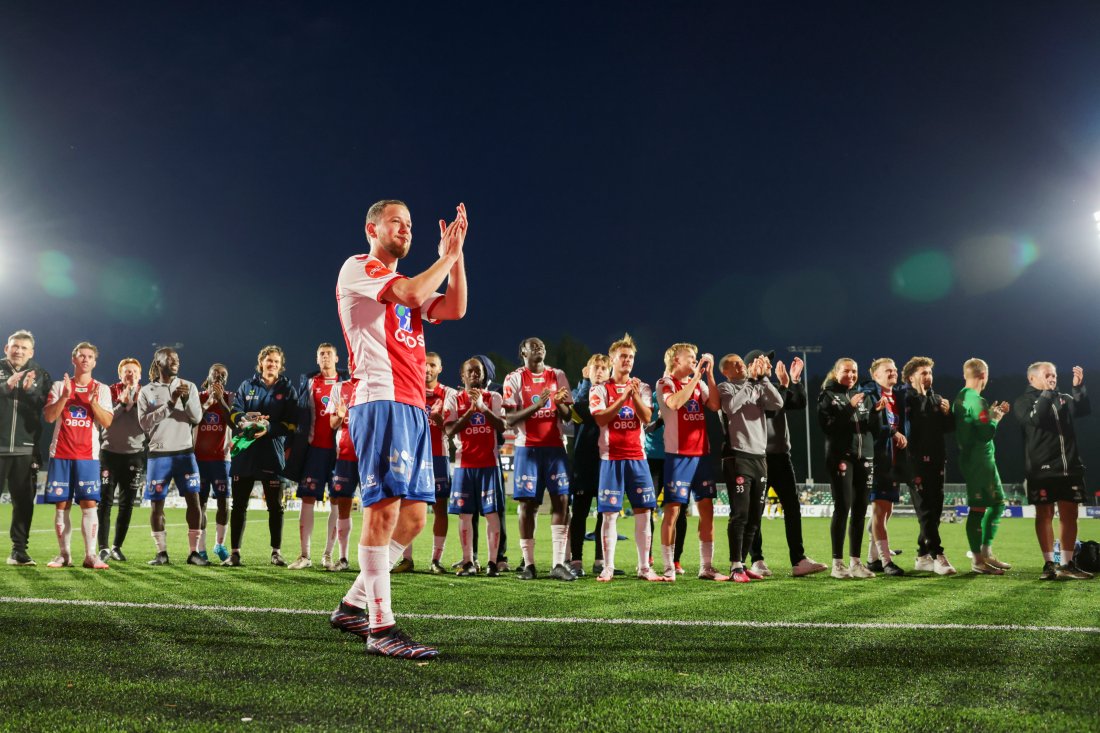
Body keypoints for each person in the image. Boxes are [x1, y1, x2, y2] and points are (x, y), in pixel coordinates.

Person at [328, 199, 467, 659]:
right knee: (383, 512)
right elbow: (408, 294)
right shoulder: (359, 267)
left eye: (410, 224)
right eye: (396, 221)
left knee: (414, 518)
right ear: (372, 227)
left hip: (411, 406)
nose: (405, 229)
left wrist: (458, 254)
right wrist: (444, 257)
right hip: (380, 401)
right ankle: (380, 629)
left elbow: (453, 309)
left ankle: (353, 604)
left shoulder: (408, 283)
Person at [747, 351, 827, 578]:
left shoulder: (774, 387)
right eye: (765, 361)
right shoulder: (746, 388)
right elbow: (771, 411)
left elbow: (799, 403)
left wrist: (795, 381)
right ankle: (757, 560)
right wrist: (783, 385)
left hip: (781, 456)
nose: (770, 365)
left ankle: (799, 559)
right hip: (757, 458)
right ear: (753, 364)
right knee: (755, 511)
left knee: (792, 507)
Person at [590, 334, 662, 582]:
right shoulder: (599, 389)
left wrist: (632, 397)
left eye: (631, 357)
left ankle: (644, 567)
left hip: (638, 458)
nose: (627, 361)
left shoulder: (641, 387)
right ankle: (608, 567)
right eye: (623, 356)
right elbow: (600, 419)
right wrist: (622, 399)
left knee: (644, 511)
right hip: (611, 459)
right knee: (609, 514)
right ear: (612, 359)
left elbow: (646, 418)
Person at [503, 336, 574, 581]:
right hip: (527, 449)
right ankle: (529, 565)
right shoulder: (514, 378)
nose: (539, 349)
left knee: (561, 500)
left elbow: (568, 416)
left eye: (542, 346)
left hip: (555, 448)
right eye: (534, 346)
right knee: (527, 505)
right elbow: (509, 419)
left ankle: (557, 563)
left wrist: (559, 404)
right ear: (523, 352)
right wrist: (539, 405)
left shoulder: (558, 375)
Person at [1013, 362, 1092, 580]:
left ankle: (1067, 564)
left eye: (1055, 375)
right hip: (1042, 469)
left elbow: (1083, 411)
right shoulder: (1023, 401)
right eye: (1048, 375)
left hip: (1070, 468)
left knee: (1070, 514)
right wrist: (1046, 394)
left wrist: (1078, 388)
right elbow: (1036, 419)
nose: (1053, 378)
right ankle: (1049, 564)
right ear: (1032, 379)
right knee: (1044, 514)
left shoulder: (1063, 397)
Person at [42, 342, 113, 569]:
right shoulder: (59, 385)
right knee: (61, 505)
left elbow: (107, 422)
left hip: (88, 456)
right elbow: (50, 417)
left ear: (94, 361)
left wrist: (92, 402)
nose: (85, 359)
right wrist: (64, 397)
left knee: (89, 504)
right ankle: (64, 555)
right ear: (73, 359)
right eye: (81, 355)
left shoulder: (101, 389)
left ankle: (91, 556)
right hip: (61, 454)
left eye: (89, 356)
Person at [227, 345, 299, 567]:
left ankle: (276, 552)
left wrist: (269, 427)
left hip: (272, 453)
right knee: (238, 505)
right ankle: (235, 553)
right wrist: (244, 422)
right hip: (245, 452)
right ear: (261, 363)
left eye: (276, 362)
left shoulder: (287, 389)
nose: (273, 365)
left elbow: (292, 422)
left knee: (275, 507)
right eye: (269, 361)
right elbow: (234, 411)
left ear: (281, 365)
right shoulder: (247, 385)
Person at [655, 343, 721, 581]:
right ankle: (668, 568)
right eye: (690, 357)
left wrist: (710, 375)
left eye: (696, 357)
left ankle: (706, 567)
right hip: (678, 457)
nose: (695, 360)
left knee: (707, 511)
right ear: (675, 361)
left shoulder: (700, 383)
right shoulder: (665, 383)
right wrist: (696, 378)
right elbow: (674, 403)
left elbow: (714, 404)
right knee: (672, 512)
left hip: (702, 455)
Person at [718, 351, 784, 583]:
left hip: (760, 457)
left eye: (741, 363)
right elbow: (731, 408)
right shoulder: (725, 388)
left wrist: (764, 379)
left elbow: (778, 403)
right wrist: (751, 383)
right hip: (737, 456)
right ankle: (735, 565)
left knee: (755, 517)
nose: (741, 366)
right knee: (740, 514)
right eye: (734, 364)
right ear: (725, 371)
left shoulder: (756, 385)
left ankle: (743, 564)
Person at [818, 357, 886, 579]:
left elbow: (872, 432)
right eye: (846, 371)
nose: (851, 375)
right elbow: (828, 427)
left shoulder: (865, 397)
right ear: (836, 372)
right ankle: (838, 564)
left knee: (859, 510)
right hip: (841, 457)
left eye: (854, 372)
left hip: (865, 457)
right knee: (843, 506)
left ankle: (856, 563)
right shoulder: (828, 396)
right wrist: (849, 407)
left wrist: (876, 413)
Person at [137, 347, 205, 565]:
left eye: (177, 359)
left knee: (194, 502)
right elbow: (144, 424)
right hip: (159, 454)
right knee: (157, 505)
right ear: (158, 362)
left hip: (185, 453)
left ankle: (194, 553)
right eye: (170, 359)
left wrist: (184, 400)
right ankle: (161, 553)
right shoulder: (147, 391)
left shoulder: (189, 387)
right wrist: (169, 403)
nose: (175, 361)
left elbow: (197, 418)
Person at [286, 343, 349, 570]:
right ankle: (305, 555)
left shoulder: (346, 385)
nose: (325, 357)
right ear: (317, 359)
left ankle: (328, 555)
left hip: (339, 452)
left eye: (328, 354)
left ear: (337, 358)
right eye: (321, 354)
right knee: (307, 499)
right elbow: (300, 415)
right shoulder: (310, 383)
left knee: (336, 501)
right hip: (314, 450)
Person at [444, 358, 506, 576]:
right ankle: (469, 562)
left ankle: (491, 563)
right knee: (465, 515)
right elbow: (450, 430)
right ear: (462, 376)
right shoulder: (454, 398)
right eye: (469, 371)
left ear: (483, 374)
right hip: (464, 466)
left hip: (489, 465)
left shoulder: (494, 397)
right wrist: (470, 412)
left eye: (477, 371)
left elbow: (502, 426)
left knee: (492, 514)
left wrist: (483, 408)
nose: (474, 375)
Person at [953, 358, 1012, 575]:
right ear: (984, 376)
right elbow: (986, 433)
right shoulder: (977, 400)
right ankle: (978, 561)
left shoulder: (960, 397)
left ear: (965, 374)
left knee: (997, 504)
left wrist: (990, 415)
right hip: (978, 461)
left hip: (981, 458)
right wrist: (996, 417)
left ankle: (986, 553)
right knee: (978, 509)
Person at [899, 356, 957, 575]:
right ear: (911, 376)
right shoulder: (904, 397)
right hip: (914, 461)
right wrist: (924, 399)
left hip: (938, 460)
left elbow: (948, 428)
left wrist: (947, 413)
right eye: (924, 373)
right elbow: (909, 427)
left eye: (930, 373)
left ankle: (923, 555)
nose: (928, 377)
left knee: (935, 510)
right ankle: (938, 554)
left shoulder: (937, 398)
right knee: (924, 510)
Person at [1, 329, 52, 566]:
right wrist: (6, 387)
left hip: (25, 449)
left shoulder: (41, 374)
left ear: (31, 352)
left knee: (23, 503)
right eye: (15, 346)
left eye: (24, 348)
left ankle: (19, 551)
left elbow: (48, 410)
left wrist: (31, 392)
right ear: (6, 348)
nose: (18, 350)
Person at [97, 358, 145, 563]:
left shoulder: (146, 394)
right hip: (109, 453)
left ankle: (117, 546)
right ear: (120, 374)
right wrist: (121, 404)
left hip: (134, 454)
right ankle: (103, 547)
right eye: (126, 371)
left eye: (134, 371)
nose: (130, 374)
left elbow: (149, 424)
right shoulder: (108, 392)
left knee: (127, 504)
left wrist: (135, 407)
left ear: (140, 375)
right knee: (105, 502)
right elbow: (103, 422)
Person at [861, 358, 906, 576]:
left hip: (892, 462)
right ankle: (887, 561)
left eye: (895, 370)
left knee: (887, 511)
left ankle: (873, 559)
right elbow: (872, 426)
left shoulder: (895, 396)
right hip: (877, 462)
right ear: (875, 375)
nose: (893, 373)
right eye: (888, 370)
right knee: (880, 510)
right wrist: (892, 432)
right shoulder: (871, 393)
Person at [567, 354, 610, 577]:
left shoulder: (613, 394)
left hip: (608, 461)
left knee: (605, 513)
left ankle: (601, 560)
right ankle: (576, 560)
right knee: (580, 513)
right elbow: (575, 412)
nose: (600, 371)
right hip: (584, 462)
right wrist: (585, 383)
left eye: (604, 368)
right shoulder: (579, 394)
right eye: (596, 368)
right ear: (587, 371)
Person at [194, 363, 234, 562]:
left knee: (223, 502)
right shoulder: (198, 396)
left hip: (222, 459)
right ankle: (201, 550)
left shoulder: (230, 397)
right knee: (200, 504)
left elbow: (234, 422)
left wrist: (221, 402)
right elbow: (193, 420)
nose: (219, 377)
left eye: (223, 375)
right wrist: (210, 401)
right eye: (215, 374)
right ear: (208, 376)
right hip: (199, 459)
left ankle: (219, 544)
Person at [424, 351, 456, 574]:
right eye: (424, 365)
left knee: (440, 508)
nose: (428, 369)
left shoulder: (449, 394)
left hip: (438, 455)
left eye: (432, 365)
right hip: (413, 457)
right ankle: (405, 558)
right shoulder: (409, 390)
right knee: (406, 507)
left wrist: (439, 421)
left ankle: (436, 559)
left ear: (440, 369)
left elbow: (455, 431)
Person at [325, 377, 360, 572]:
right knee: (344, 504)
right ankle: (343, 558)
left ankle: (376, 558)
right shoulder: (340, 388)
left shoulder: (376, 383)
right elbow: (332, 423)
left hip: (370, 455)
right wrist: (339, 415)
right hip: (346, 453)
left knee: (376, 507)